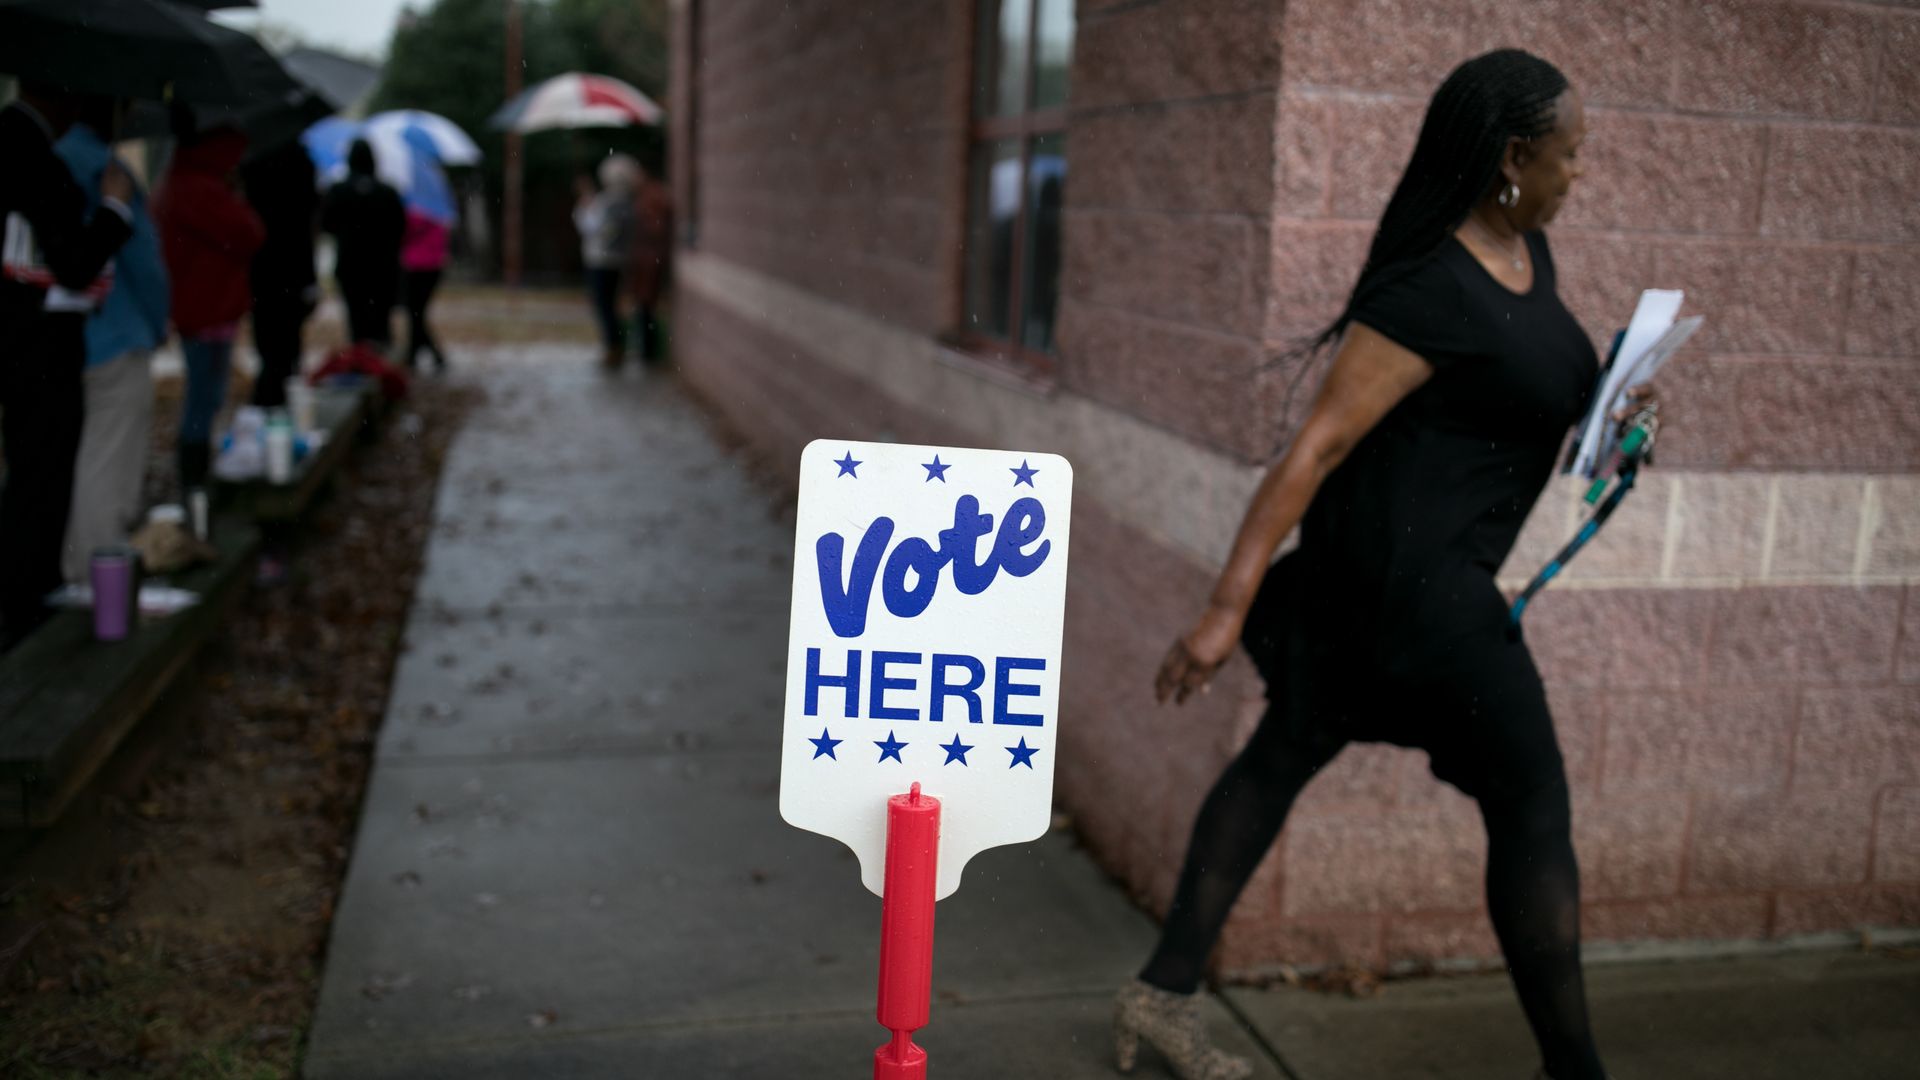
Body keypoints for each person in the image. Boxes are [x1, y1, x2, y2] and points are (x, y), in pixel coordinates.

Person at [1114, 50, 1654, 1080]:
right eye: (1569, 156)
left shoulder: (1524, 257)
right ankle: (1575, 1072)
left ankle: (1158, 999)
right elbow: (1316, 446)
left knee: (1284, 753)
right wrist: (1224, 610)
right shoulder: (1428, 288)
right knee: (1534, 808)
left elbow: (1514, 401)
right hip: (1416, 593)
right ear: (1512, 157)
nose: (1579, 175)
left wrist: (1616, 417)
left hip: (1392, 585)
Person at [0, 81, 134, 648]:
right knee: (40, 471)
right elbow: (74, 261)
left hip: (20, 337)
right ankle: (26, 603)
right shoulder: (28, 150)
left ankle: (25, 593)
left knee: (31, 468)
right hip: (37, 345)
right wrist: (114, 208)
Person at [55, 98, 170, 585]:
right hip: (115, 333)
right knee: (108, 466)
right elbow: (143, 260)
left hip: (57, 340)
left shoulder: (51, 158)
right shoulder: (108, 169)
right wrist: (158, 320)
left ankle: (70, 573)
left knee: (70, 459)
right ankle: (95, 583)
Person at [153, 126, 265, 495]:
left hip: (200, 308)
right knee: (204, 397)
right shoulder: (200, 189)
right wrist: (237, 197)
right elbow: (249, 233)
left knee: (206, 395)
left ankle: (195, 477)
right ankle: (194, 482)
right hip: (207, 311)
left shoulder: (179, 183)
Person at [243, 139, 321, 409]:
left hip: (263, 266)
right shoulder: (301, 162)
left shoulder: (252, 162)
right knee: (286, 342)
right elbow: (308, 221)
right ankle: (278, 397)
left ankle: (270, 397)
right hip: (290, 266)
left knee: (269, 340)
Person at [320, 139, 405, 349]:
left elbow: (327, 224)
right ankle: (379, 354)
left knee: (356, 314)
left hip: (351, 263)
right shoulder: (387, 191)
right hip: (382, 265)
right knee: (381, 315)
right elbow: (400, 227)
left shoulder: (338, 190)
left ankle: (360, 354)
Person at [573, 155, 637, 369]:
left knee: (604, 306)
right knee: (612, 305)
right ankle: (617, 345)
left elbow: (592, 228)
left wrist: (584, 206)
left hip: (600, 261)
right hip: (618, 261)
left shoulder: (608, 202)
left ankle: (613, 347)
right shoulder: (627, 202)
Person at [398, 128, 453, 372]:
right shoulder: (437, 184)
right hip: (434, 261)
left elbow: (407, 230)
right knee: (417, 311)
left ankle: (429, 354)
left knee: (415, 311)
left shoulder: (417, 197)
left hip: (417, 262)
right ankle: (416, 354)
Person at [628, 160, 673, 365]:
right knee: (643, 305)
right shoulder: (645, 195)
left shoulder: (652, 195)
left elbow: (657, 227)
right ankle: (646, 348)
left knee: (646, 305)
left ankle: (649, 350)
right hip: (645, 260)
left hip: (649, 260)